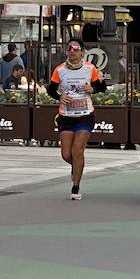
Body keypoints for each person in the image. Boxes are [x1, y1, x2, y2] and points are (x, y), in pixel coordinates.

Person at [47, 40, 106, 201]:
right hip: (66, 116)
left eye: (76, 49)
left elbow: (103, 87)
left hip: (85, 115)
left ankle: (76, 186)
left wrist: (92, 89)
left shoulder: (90, 69)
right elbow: (51, 90)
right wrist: (60, 96)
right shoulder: (59, 70)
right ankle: (76, 166)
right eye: (69, 49)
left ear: (82, 52)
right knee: (66, 154)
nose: (72, 52)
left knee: (77, 150)